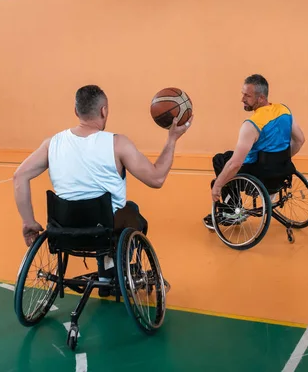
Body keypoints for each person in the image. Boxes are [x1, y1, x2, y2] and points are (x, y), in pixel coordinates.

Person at [13, 84, 192, 292]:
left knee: (104, 217)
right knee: (131, 212)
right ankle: (115, 271)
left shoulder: (51, 144)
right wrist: (172, 140)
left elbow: (19, 176)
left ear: (76, 111)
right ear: (103, 111)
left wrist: (28, 222)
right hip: (103, 230)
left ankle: (107, 275)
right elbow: (157, 178)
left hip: (62, 229)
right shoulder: (117, 144)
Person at [202, 74, 305, 230]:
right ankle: (268, 188)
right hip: (282, 171)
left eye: (247, 96)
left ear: (261, 98)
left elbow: (235, 164)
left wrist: (217, 185)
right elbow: (300, 140)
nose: (242, 99)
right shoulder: (284, 111)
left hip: (259, 174)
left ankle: (232, 212)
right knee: (229, 157)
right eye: (243, 94)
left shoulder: (251, 125)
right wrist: (280, 161)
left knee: (221, 161)